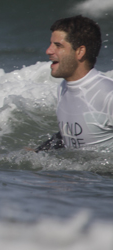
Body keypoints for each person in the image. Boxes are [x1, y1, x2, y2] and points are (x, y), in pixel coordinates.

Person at [36, 14, 113, 151]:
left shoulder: (108, 94)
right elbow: (71, 134)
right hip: (78, 172)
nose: (48, 51)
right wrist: (39, 152)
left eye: (58, 45)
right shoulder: (63, 88)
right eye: (50, 44)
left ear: (80, 52)